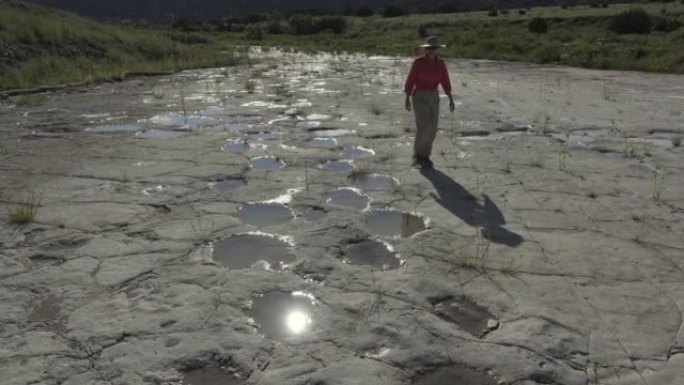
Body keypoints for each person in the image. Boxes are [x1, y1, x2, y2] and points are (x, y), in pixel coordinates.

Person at [404, 36, 455, 169]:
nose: (432, 50)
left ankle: (426, 156)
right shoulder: (418, 63)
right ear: (425, 50)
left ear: (437, 49)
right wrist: (407, 96)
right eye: (429, 48)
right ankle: (418, 156)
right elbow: (411, 79)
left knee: (432, 128)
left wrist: (450, 96)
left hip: (433, 96)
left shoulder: (441, 64)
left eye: (434, 48)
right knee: (424, 126)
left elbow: (445, 80)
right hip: (420, 95)